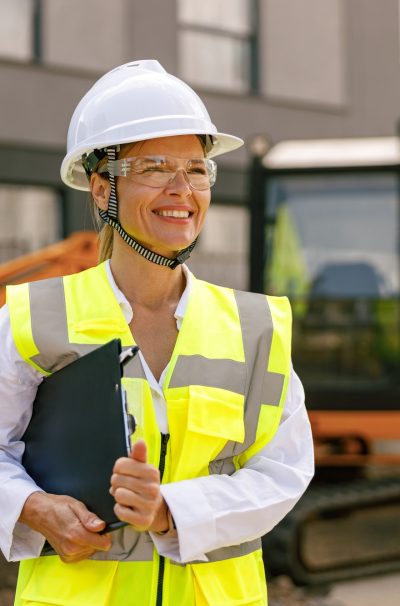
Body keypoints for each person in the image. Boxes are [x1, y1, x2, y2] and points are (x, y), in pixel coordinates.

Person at [0, 60, 314, 606]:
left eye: (196, 169)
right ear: (102, 191)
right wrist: (30, 507)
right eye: (155, 167)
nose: (182, 188)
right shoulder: (33, 317)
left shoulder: (255, 327)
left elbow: (283, 470)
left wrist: (171, 510)